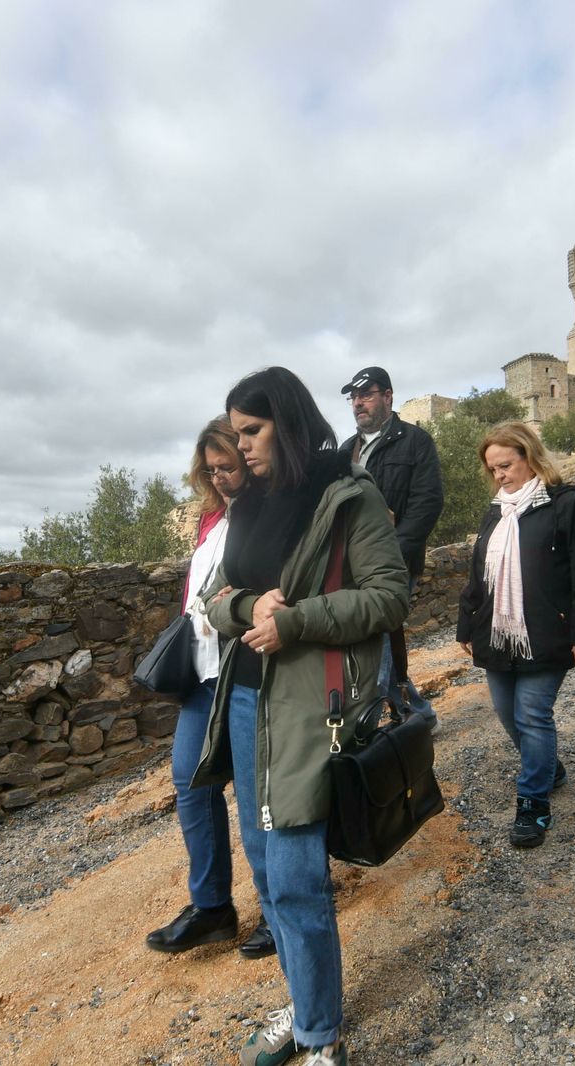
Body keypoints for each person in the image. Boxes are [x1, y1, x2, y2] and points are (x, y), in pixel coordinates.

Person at [194, 366, 409, 1066]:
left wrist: (298, 622)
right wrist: (245, 609)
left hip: (311, 707)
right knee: (264, 870)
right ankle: (308, 1001)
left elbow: (389, 598)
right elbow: (217, 597)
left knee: (293, 876)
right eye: (235, 431)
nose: (240, 445)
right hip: (248, 699)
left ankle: (320, 1038)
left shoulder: (349, 494)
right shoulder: (250, 501)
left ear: (286, 423)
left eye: (251, 431)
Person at [145, 417, 275, 959]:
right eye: (211, 469)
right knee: (190, 783)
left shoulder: (271, 510)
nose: (220, 477)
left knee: (254, 795)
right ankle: (213, 907)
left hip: (246, 666)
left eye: (228, 465)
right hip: (202, 671)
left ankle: (277, 908)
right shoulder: (210, 517)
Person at [456, 422, 575, 849]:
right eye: (493, 468)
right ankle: (549, 769)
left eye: (506, 465)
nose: (500, 475)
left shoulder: (566, 505)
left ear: (530, 456)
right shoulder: (496, 510)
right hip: (496, 632)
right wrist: (466, 625)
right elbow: (476, 575)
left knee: (532, 714)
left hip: (547, 632)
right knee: (508, 715)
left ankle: (533, 802)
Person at [337, 366, 443, 730]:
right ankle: (417, 716)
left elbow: (427, 503)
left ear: (388, 396)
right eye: (353, 397)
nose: (358, 403)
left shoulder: (414, 441)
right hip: (351, 569)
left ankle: (364, 731)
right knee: (375, 644)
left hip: (395, 565)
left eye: (366, 394)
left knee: (376, 644)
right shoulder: (344, 451)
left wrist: (390, 556)